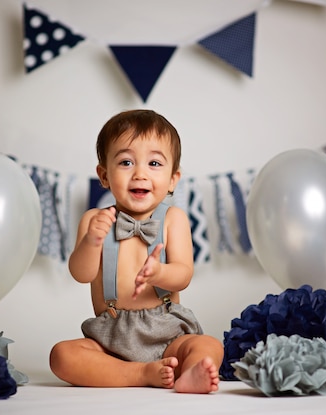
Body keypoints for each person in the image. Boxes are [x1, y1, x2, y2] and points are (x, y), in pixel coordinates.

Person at [50, 109, 223, 394]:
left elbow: (183, 275)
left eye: (154, 163)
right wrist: (92, 241)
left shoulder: (173, 219)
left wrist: (160, 272)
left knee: (209, 346)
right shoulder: (94, 220)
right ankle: (140, 373)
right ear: (104, 175)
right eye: (126, 162)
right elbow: (81, 274)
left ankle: (188, 373)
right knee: (61, 355)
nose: (140, 173)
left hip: (167, 333)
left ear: (172, 180)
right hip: (111, 337)